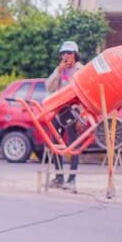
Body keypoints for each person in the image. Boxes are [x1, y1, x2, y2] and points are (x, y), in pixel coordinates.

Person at [45, 40, 84, 192]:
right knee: (55, 142)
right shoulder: (60, 70)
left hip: (73, 110)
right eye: (63, 53)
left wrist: (82, 115)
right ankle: (59, 176)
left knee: (73, 145)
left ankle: (72, 179)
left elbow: (84, 93)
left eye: (69, 53)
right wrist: (58, 72)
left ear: (75, 54)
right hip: (59, 110)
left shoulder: (80, 70)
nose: (65, 56)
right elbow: (49, 87)